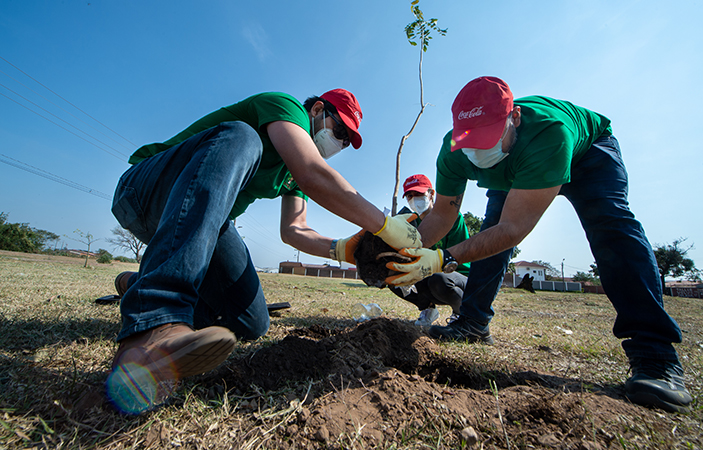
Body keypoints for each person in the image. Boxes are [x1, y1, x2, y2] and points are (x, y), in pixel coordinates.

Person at [386, 77, 692, 413]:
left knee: (611, 229)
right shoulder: (454, 151)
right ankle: (473, 323)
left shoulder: (550, 132)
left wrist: (441, 259)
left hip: (586, 155)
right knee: (489, 235)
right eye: (469, 142)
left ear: (513, 118)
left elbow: (513, 228)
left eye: (486, 140)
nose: (477, 153)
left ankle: (656, 356)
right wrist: (409, 251)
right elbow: (441, 216)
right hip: (517, 164)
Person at [107, 89, 421, 413]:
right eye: (339, 131)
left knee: (251, 322)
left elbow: (295, 230)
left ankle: (139, 285)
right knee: (243, 136)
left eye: (345, 142)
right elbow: (313, 174)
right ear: (316, 110)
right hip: (145, 190)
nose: (339, 143)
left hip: (204, 222)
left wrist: (343, 250)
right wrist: (384, 225)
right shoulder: (284, 107)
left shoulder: (293, 174)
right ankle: (156, 321)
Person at [389, 174, 470, 327]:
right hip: (428, 273)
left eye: (419, 194)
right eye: (410, 196)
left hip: (458, 275)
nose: (414, 200)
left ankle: (462, 313)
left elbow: (460, 257)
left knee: (439, 279)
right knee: (394, 277)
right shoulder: (410, 222)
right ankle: (428, 309)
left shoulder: (452, 218)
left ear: (431, 194)